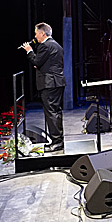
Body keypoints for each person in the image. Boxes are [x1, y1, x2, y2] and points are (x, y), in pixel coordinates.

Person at [22, 22, 66, 151]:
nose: (35, 36)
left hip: (49, 83)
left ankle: (57, 142)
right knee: (55, 112)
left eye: (36, 33)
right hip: (57, 82)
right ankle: (58, 140)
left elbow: (36, 61)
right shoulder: (57, 45)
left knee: (51, 113)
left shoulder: (44, 46)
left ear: (42, 33)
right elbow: (50, 64)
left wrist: (29, 51)